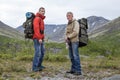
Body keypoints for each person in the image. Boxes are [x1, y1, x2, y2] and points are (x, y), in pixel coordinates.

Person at [32, 7, 46, 72]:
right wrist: (39, 38)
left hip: (41, 38)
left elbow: (41, 30)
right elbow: (36, 29)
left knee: (42, 52)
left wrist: (42, 37)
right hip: (37, 38)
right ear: (39, 11)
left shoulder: (41, 19)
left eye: (44, 11)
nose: (43, 12)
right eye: (42, 11)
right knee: (38, 53)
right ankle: (34, 67)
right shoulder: (37, 18)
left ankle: (39, 65)